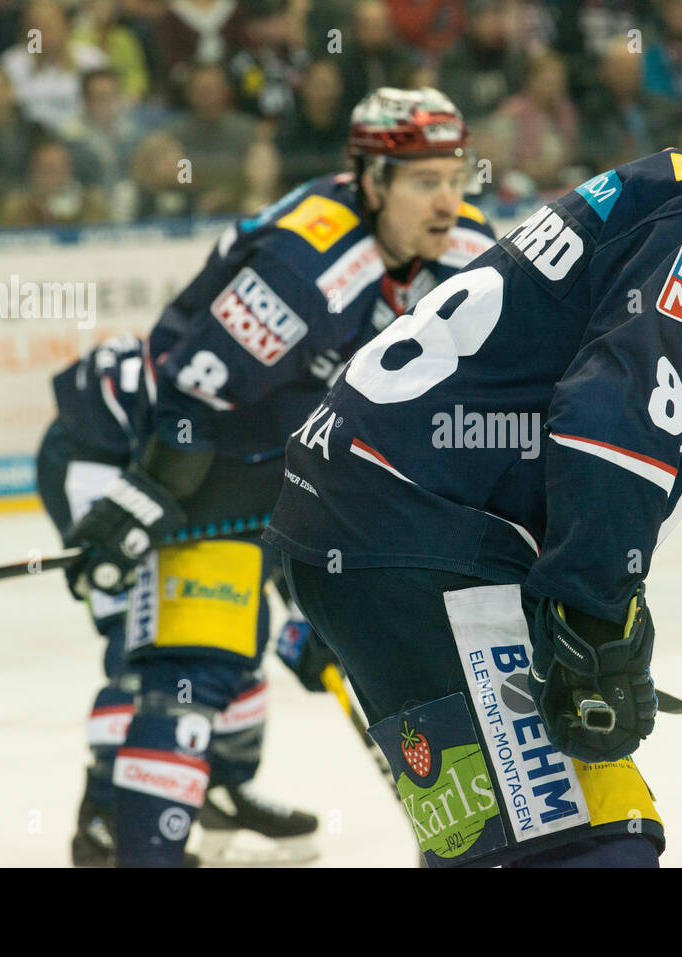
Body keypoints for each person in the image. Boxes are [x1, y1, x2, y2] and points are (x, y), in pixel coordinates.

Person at [264, 0, 682, 868]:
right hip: (419, 536)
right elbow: (617, 421)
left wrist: (595, 594)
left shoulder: (680, 190)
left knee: (511, 838)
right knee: (591, 845)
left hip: (371, 518)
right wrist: (589, 614)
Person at [47, 86, 495, 867]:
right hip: (136, 451)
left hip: (252, 466)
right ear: (370, 181)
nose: (448, 201)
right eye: (425, 181)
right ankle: (115, 832)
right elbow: (194, 394)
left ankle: (214, 791)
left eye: (457, 178)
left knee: (263, 632)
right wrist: (149, 494)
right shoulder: (306, 263)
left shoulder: (463, 253)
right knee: (188, 650)